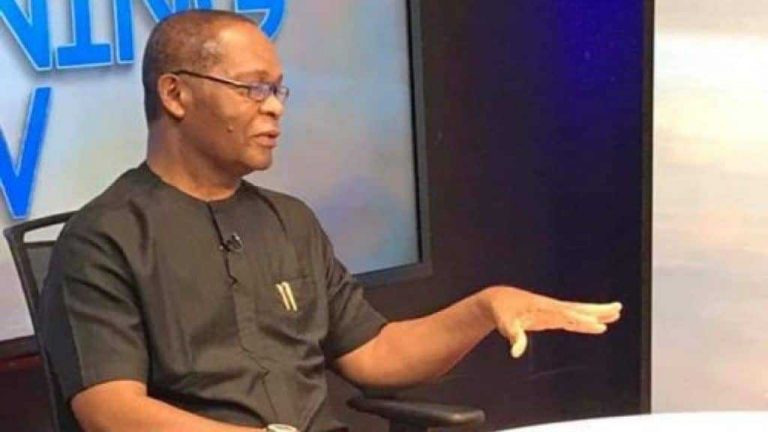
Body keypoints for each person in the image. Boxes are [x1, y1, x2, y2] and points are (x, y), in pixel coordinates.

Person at [39, 9, 622, 432]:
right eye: (252, 89)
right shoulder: (104, 239)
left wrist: (483, 308)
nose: (274, 107)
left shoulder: (288, 221)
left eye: (278, 90)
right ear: (174, 95)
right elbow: (111, 411)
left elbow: (376, 355)